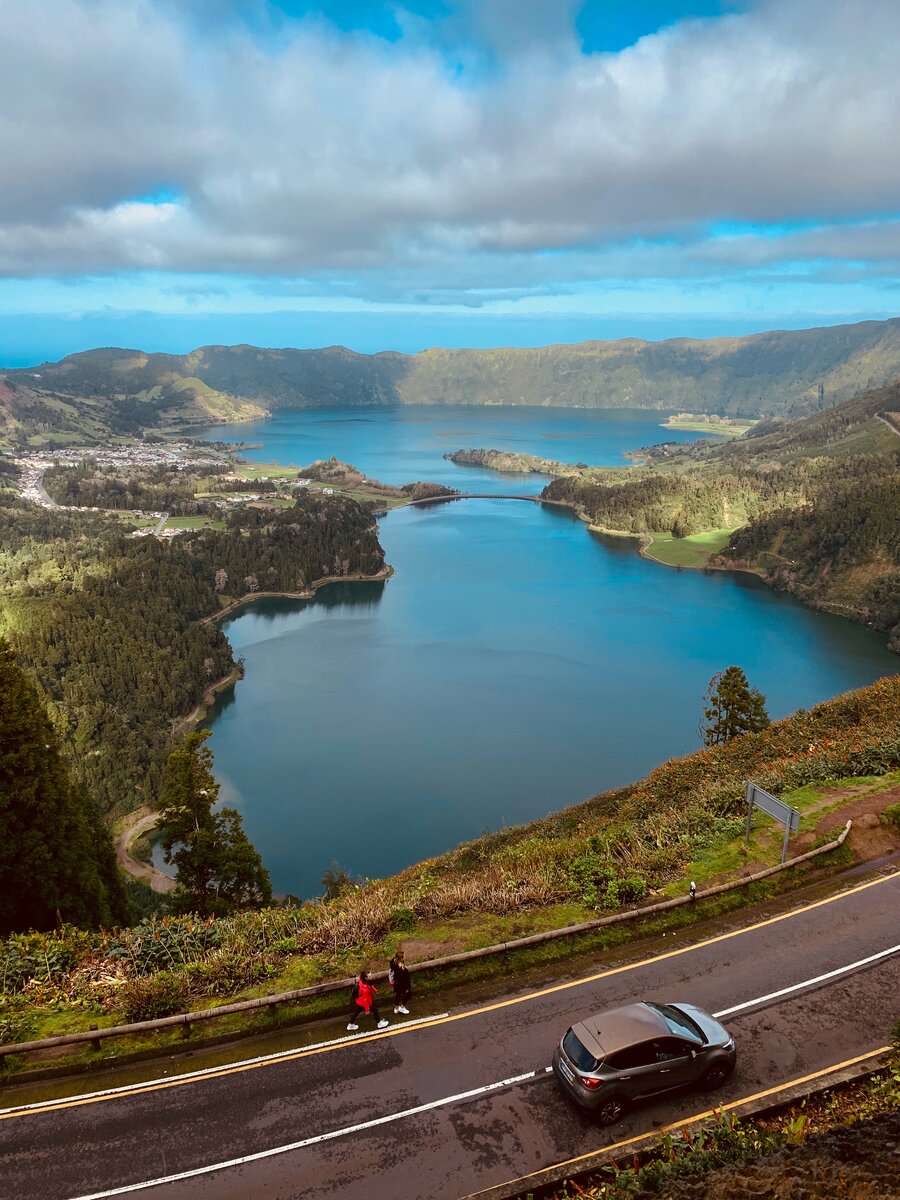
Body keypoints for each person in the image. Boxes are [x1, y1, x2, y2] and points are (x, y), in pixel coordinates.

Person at [389, 949, 412, 1015]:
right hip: (402, 985)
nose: (405, 956)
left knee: (398, 995)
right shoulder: (404, 970)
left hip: (396, 983)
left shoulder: (393, 962)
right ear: (401, 958)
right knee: (409, 994)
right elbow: (406, 980)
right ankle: (402, 1007)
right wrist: (408, 987)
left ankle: (396, 1008)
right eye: (404, 956)